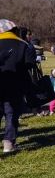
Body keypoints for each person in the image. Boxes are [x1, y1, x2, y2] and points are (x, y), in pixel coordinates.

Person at [0, 20, 36, 153]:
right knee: (12, 114)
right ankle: (9, 143)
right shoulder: (23, 44)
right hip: (15, 84)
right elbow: (30, 64)